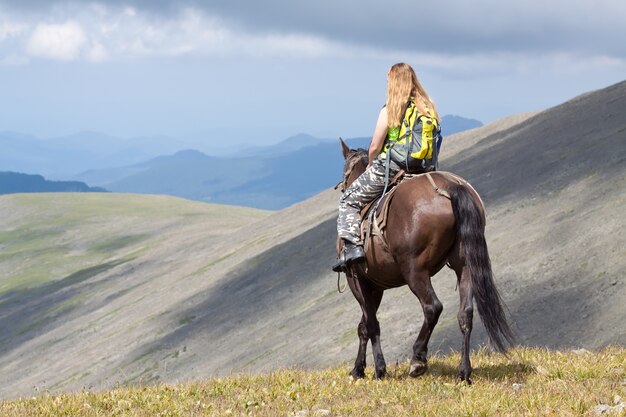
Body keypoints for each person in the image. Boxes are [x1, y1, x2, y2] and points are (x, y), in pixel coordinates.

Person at [332, 62, 440, 272]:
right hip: (424, 168)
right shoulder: (427, 106)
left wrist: (372, 164)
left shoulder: (390, 109)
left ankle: (353, 248)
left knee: (348, 199)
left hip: (395, 165)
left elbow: (374, 146)